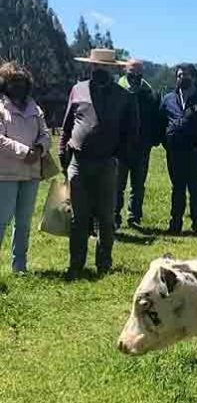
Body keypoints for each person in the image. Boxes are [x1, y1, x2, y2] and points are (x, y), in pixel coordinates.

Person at [59, 48, 139, 278]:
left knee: (106, 217)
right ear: (90, 66)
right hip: (78, 162)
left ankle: (104, 264)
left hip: (106, 164)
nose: (99, 70)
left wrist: (120, 156)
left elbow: (132, 131)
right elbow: (66, 126)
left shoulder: (124, 96)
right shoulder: (77, 90)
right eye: (96, 66)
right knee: (78, 218)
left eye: (104, 67)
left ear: (112, 70)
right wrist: (62, 153)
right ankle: (76, 265)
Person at [0, 62, 51, 273]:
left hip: (31, 174)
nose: (18, 85)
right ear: (5, 83)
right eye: (13, 81)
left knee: (23, 222)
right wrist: (24, 151)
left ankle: (19, 267)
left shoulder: (34, 107)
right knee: (2, 220)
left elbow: (46, 134)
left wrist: (39, 149)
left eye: (21, 81)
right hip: (6, 173)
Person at [160, 63, 197, 235]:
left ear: (194, 77)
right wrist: (167, 142)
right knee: (177, 188)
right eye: (179, 75)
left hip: (194, 152)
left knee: (195, 188)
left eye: (186, 75)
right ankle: (175, 224)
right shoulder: (168, 99)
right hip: (174, 153)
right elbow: (160, 122)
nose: (182, 78)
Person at [114, 58, 160, 228]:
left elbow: (156, 119)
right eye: (131, 73)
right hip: (120, 148)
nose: (135, 77)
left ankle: (134, 218)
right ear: (125, 72)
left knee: (138, 185)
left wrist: (152, 140)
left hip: (142, 147)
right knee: (117, 185)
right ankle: (115, 216)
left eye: (138, 74)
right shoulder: (117, 92)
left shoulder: (149, 94)